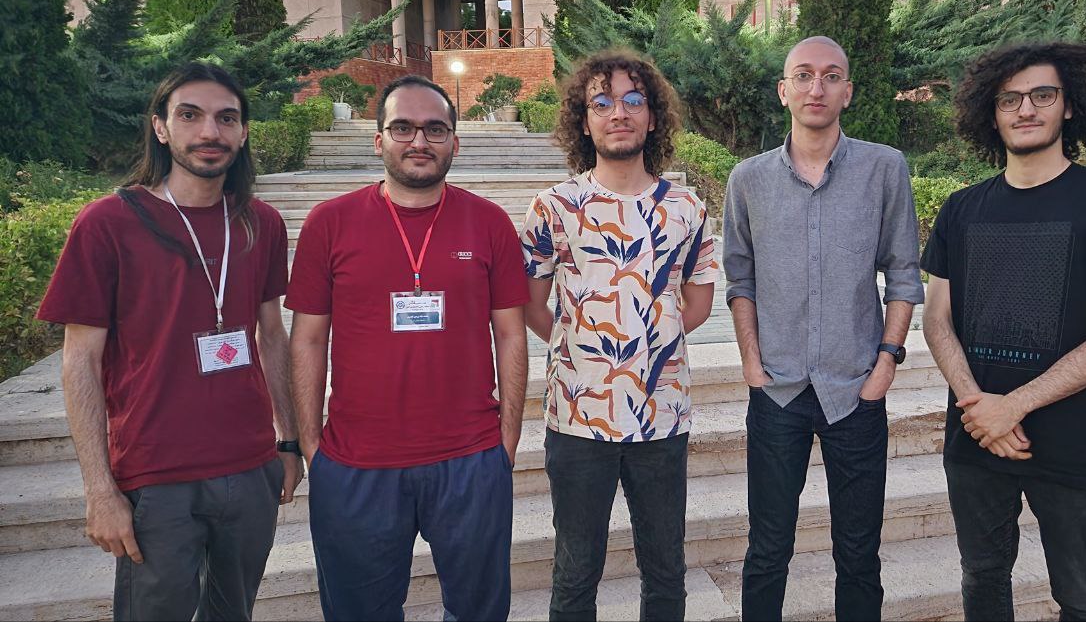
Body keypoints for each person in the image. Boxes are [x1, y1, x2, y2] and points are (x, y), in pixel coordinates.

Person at [37, 62, 300, 621]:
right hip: (155, 478)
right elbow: (80, 361)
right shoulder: (107, 223)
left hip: (249, 467)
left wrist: (288, 442)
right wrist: (99, 490)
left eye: (226, 118)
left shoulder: (261, 223)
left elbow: (272, 334)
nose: (210, 131)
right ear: (160, 127)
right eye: (190, 115)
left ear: (243, 133)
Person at [921, 41, 1086, 621]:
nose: (1025, 109)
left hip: (1074, 443)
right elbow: (936, 319)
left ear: (1070, 105)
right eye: (1009, 99)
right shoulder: (961, 209)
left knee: (1082, 599)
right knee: (983, 579)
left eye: (1042, 95)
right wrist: (978, 406)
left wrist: (1014, 406)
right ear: (991, 113)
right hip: (977, 440)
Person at [287, 75, 528, 621]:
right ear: (379, 140)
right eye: (403, 127)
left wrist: (506, 440)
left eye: (435, 129)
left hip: (469, 458)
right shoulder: (329, 223)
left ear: (455, 143)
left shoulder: (489, 222)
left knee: (479, 612)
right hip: (356, 463)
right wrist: (312, 447)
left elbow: (511, 333)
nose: (419, 141)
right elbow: (307, 339)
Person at [721, 36, 924, 621]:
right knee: (767, 551)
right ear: (783, 91)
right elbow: (740, 278)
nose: (817, 87)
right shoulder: (748, 179)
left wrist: (886, 363)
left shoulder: (884, 169)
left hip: (856, 389)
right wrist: (752, 365)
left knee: (858, 554)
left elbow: (904, 272)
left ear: (848, 92)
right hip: (777, 391)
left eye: (831, 76)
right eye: (804, 75)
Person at [520, 49, 718, 621]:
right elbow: (532, 304)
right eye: (602, 103)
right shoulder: (554, 207)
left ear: (653, 117)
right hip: (577, 419)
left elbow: (698, 304)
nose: (619, 113)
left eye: (634, 100)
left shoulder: (686, 208)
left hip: (662, 416)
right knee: (575, 572)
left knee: (666, 570)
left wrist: (649, 337)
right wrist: (579, 345)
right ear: (584, 122)